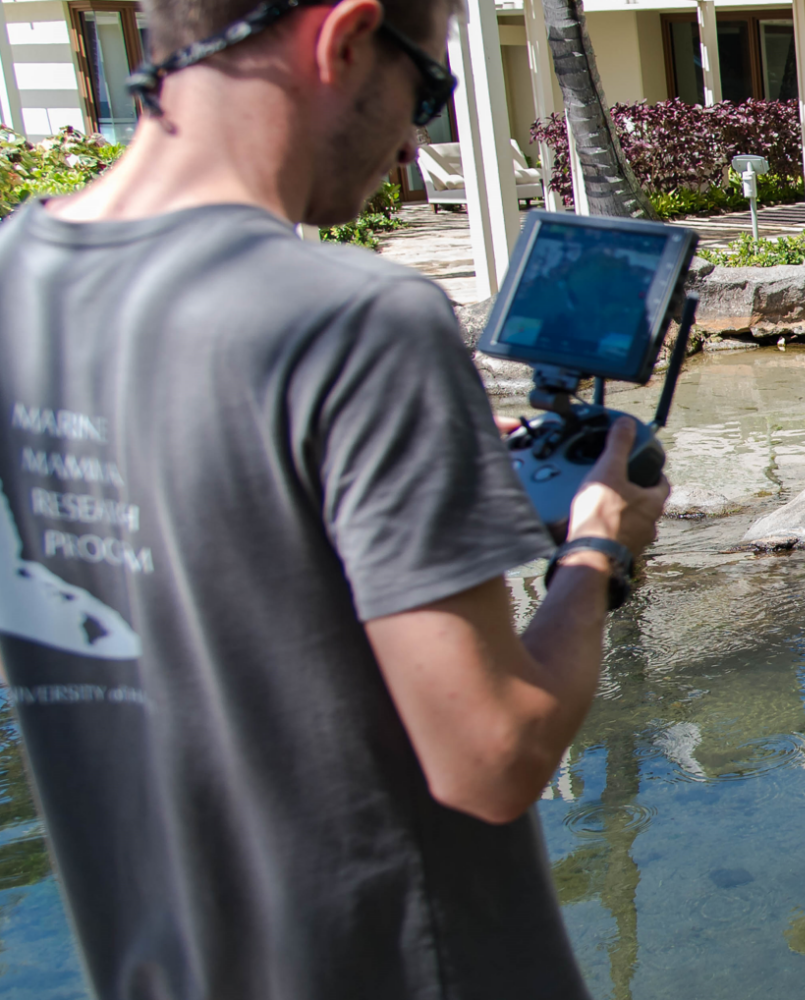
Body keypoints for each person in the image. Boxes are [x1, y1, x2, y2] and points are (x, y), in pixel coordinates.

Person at [0, 0, 668, 994]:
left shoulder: (23, 279)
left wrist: (393, 465)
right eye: (429, 90)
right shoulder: (359, 322)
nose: (414, 135)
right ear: (345, 38)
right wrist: (599, 551)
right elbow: (494, 754)